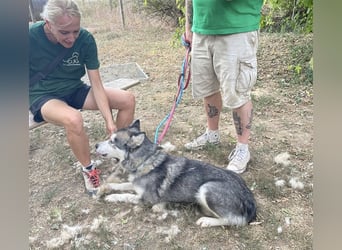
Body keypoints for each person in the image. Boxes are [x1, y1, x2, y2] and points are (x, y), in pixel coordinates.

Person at [29, 0, 136, 195]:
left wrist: (108, 120)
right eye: (64, 32)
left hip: (75, 89)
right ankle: (88, 169)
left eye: (75, 31)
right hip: (43, 95)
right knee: (73, 119)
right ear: (48, 23)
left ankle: (115, 149)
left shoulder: (85, 39)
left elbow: (96, 83)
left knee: (127, 99)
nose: (71, 38)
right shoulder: (29, 37)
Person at [184, 0, 263, 174]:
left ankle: (243, 149)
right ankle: (212, 134)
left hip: (237, 30)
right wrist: (189, 25)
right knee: (208, 87)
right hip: (202, 29)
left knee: (238, 93)